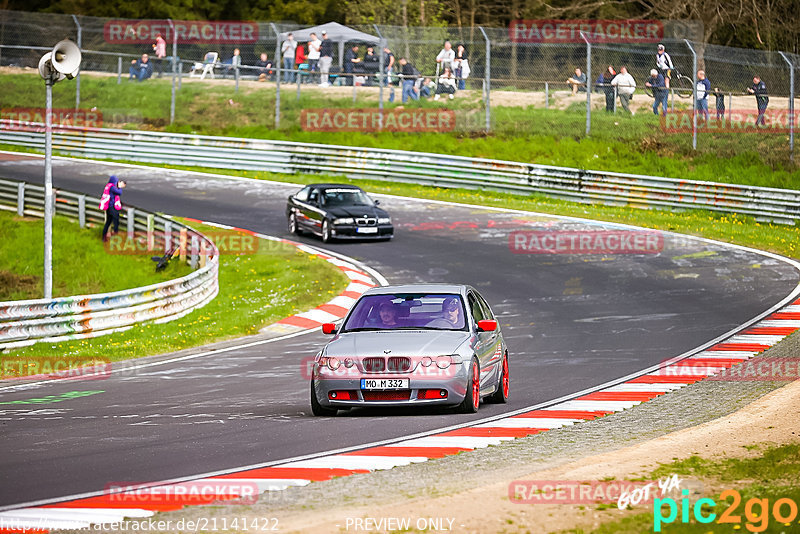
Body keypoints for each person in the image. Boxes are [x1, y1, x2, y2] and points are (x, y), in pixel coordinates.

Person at [100, 176, 126, 241]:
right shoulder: (112, 187)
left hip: (108, 207)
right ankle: (115, 238)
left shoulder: (108, 186)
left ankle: (104, 238)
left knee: (108, 222)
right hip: (111, 207)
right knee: (116, 222)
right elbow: (119, 192)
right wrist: (120, 187)